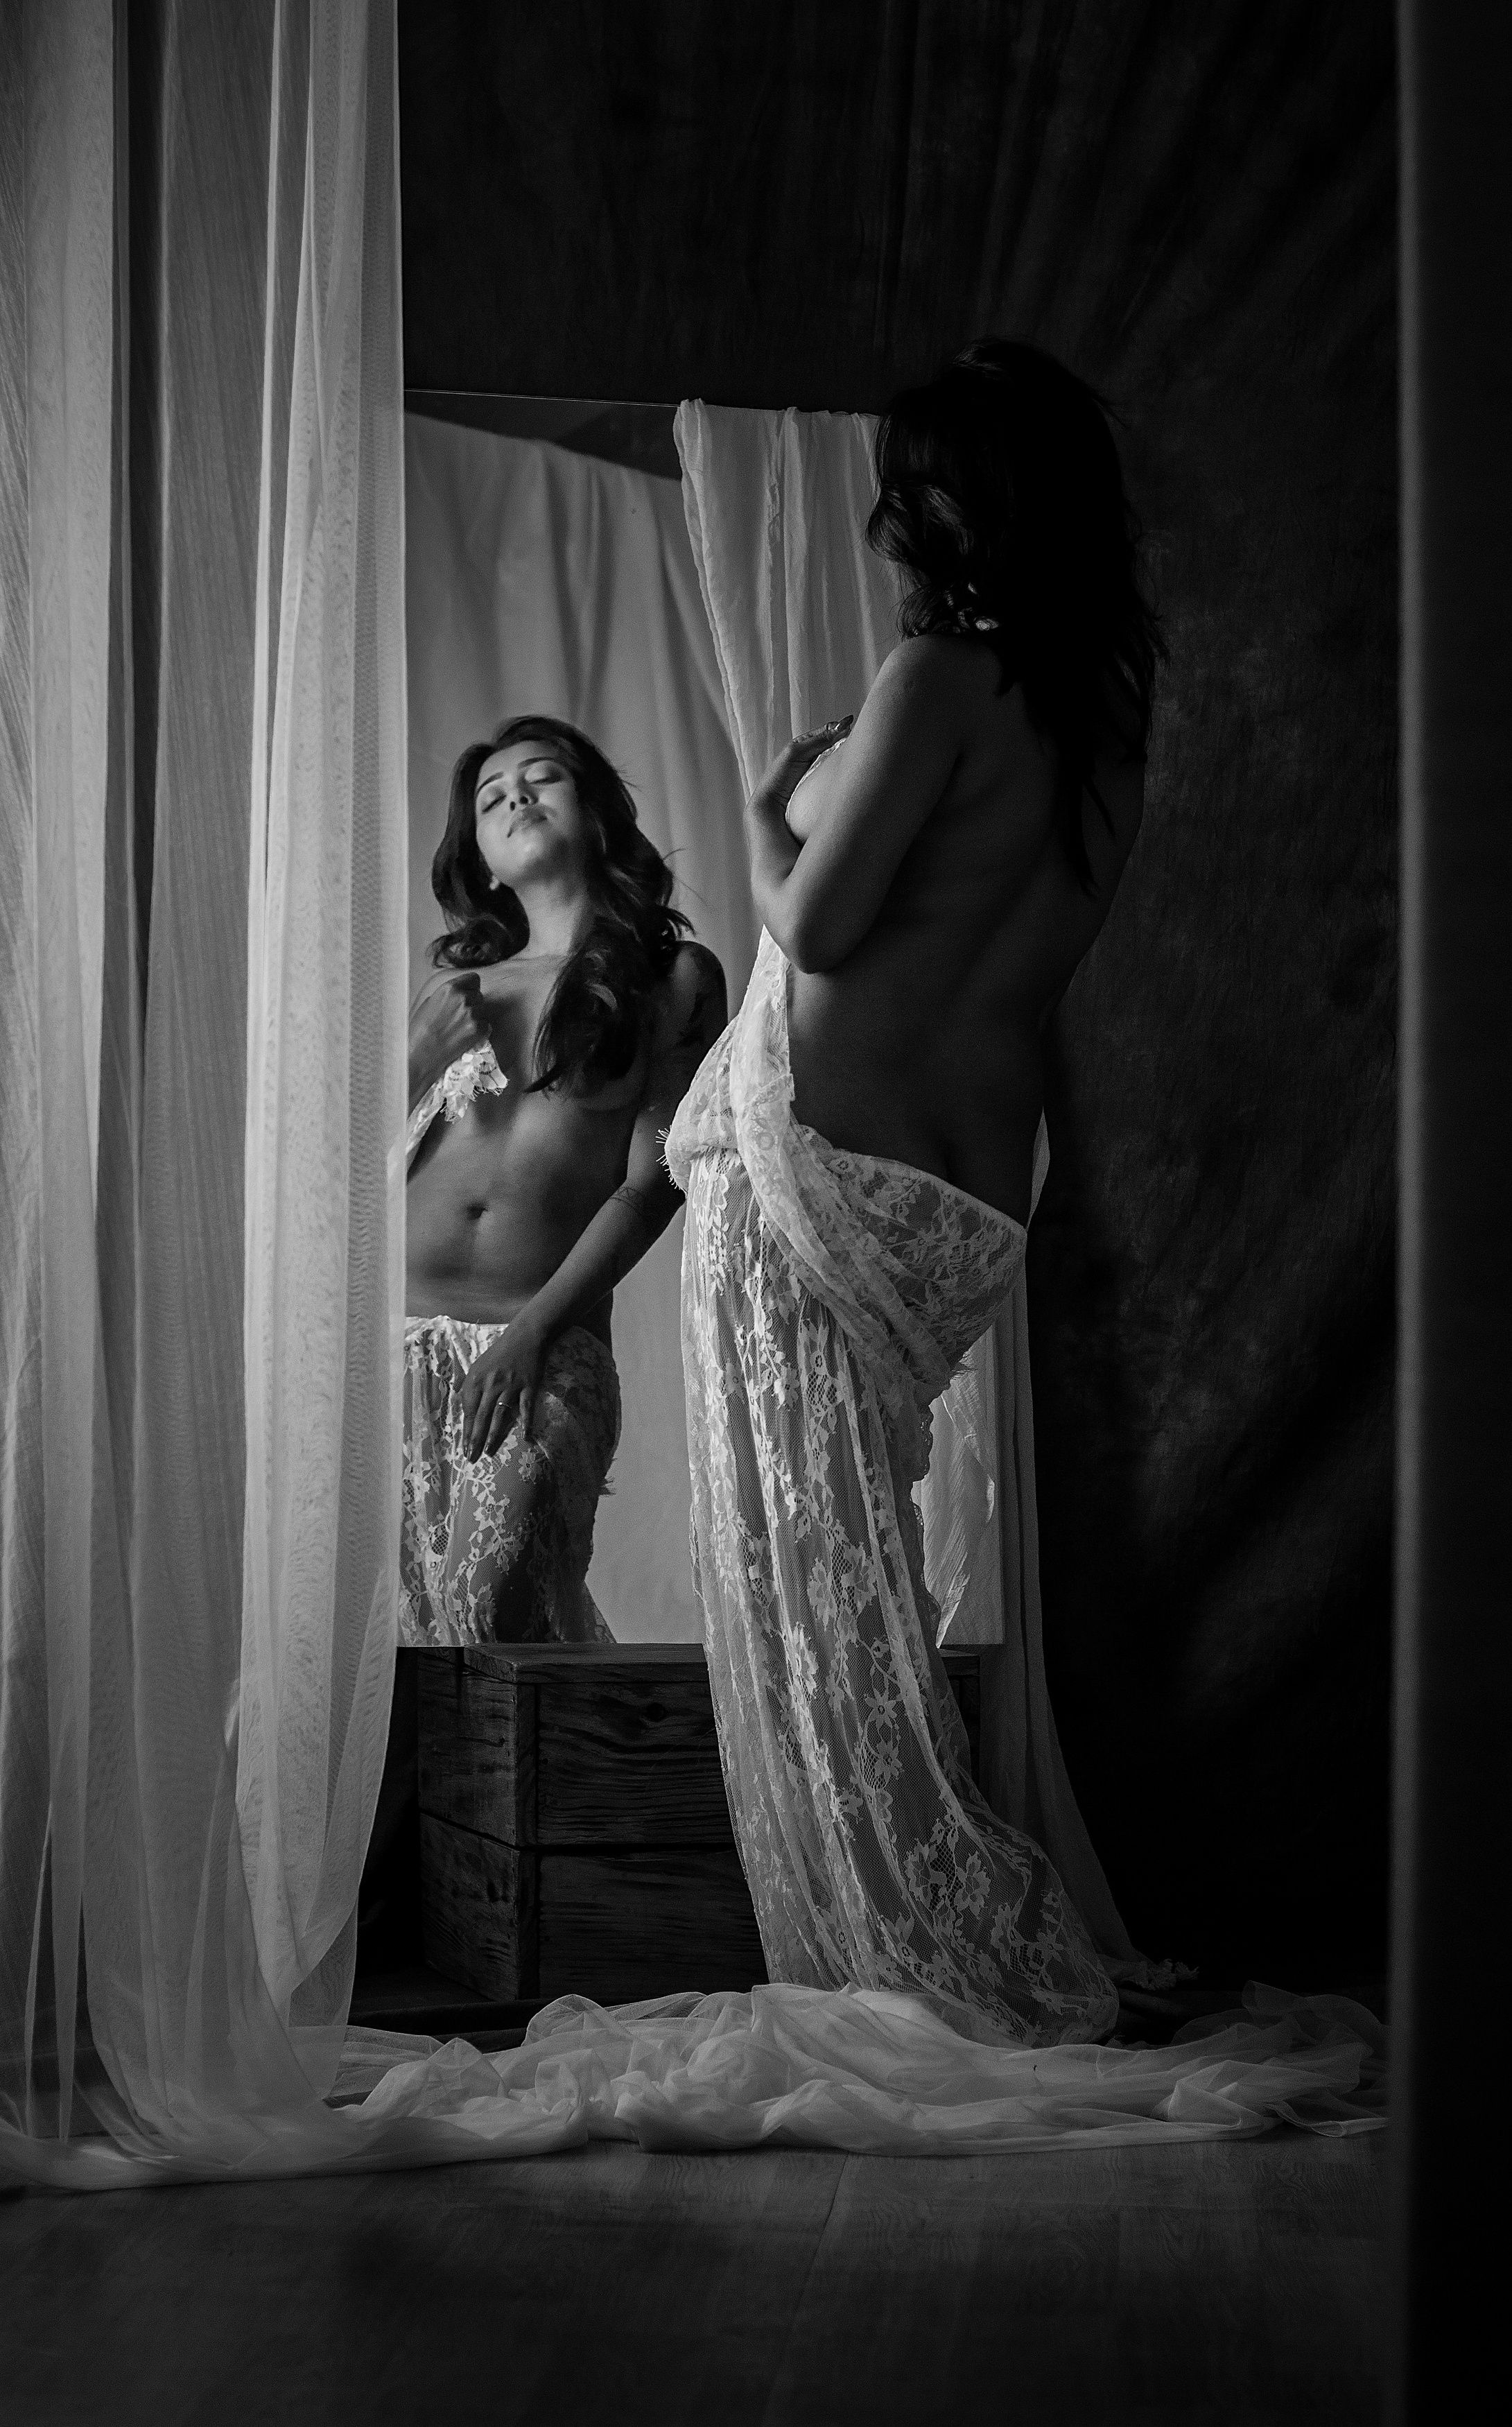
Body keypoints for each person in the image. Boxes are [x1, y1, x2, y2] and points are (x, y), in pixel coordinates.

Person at [665, 339, 1164, 2047]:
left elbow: (813, 926)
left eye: (915, 490)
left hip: (820, 1175)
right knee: (851, 1578)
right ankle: (933, 1931)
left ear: (966, 508)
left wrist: (763, 810)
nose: (891, 523)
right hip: (964, 1197)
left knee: (809, 1599)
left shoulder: (939, 679)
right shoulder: (1104, 724)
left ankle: (926, 1957)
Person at [403, 713, 727, 1646]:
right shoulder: (454, 992)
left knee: (493, 1605)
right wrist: (416, 1055)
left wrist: (533, 1332)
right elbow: (344, 1176)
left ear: (594, 811)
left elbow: (651, 1186)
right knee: (397, 1644)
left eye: (540, 777)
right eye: (491, 798)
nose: (516, 798)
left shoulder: (672, 978)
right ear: (481, 860)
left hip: (541, 1338)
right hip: (395, 1348)